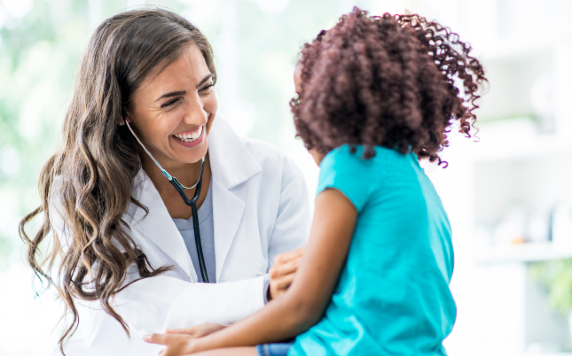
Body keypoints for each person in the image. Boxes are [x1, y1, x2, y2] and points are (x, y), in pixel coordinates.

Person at [144, 7, 487, 356]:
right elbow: (355, 303)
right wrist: (228, 332)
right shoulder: (413, 178)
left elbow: (301, 306)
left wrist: (199, 344)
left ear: (329, 102)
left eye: (303, 100)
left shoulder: (351, 163)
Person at [18, 8, 310, 356]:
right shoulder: (84, 193)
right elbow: (136, 312)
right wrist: (264, 295)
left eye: (205, 88)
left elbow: (300, 310)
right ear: (123, 112)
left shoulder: (274, 175)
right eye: (171, 101)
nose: (199, 115)